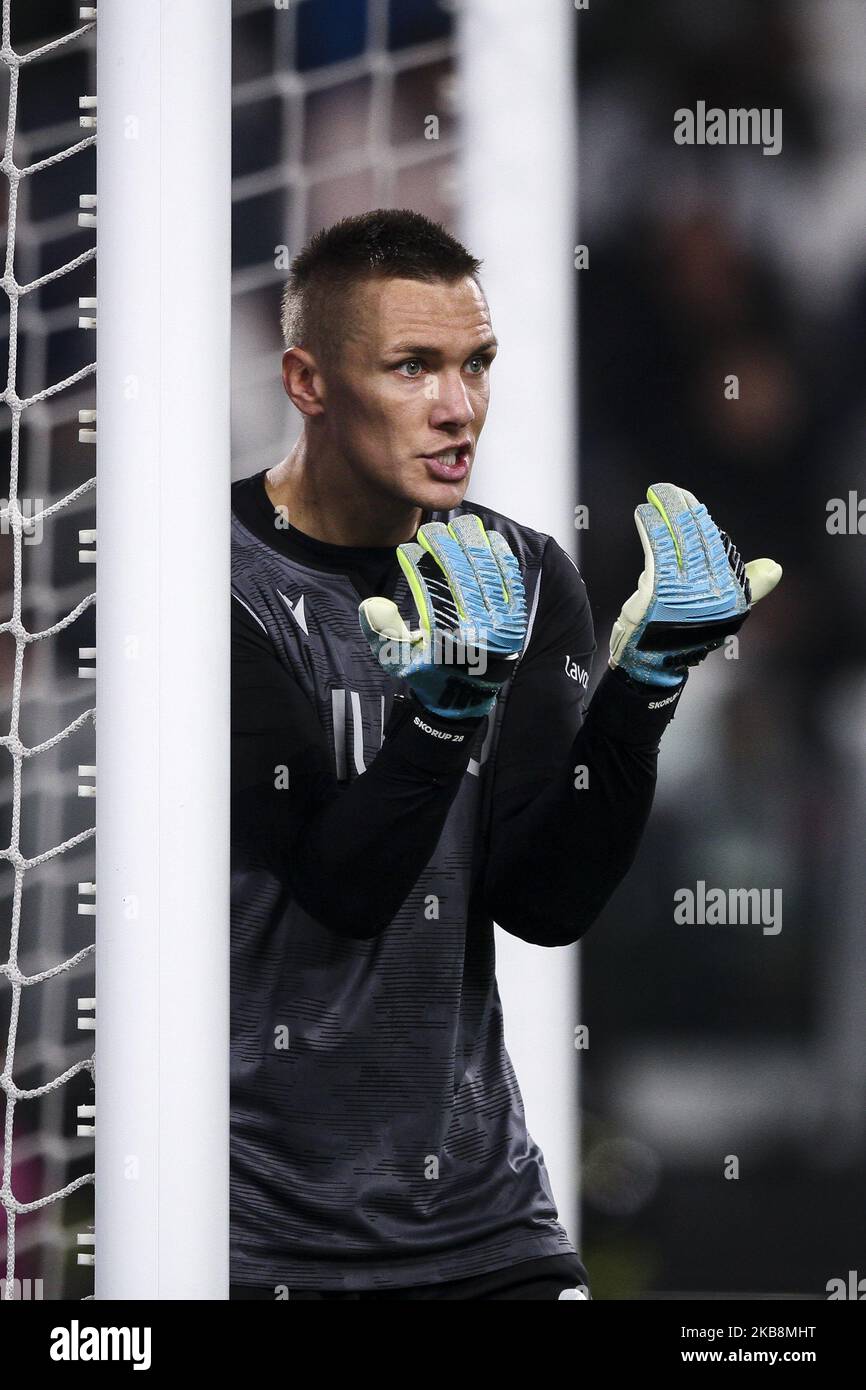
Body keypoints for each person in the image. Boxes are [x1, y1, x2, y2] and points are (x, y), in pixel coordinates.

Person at [229, 208, 778, 1300]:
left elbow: (543, 899)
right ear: (307, 379)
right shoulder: (215, 583)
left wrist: (640, 697)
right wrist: (441, 719)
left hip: (483, 1219)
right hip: (259, 1232)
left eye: (476, 363)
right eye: (412, 366)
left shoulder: (522, 575)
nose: (457, 405)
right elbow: (341, 885)